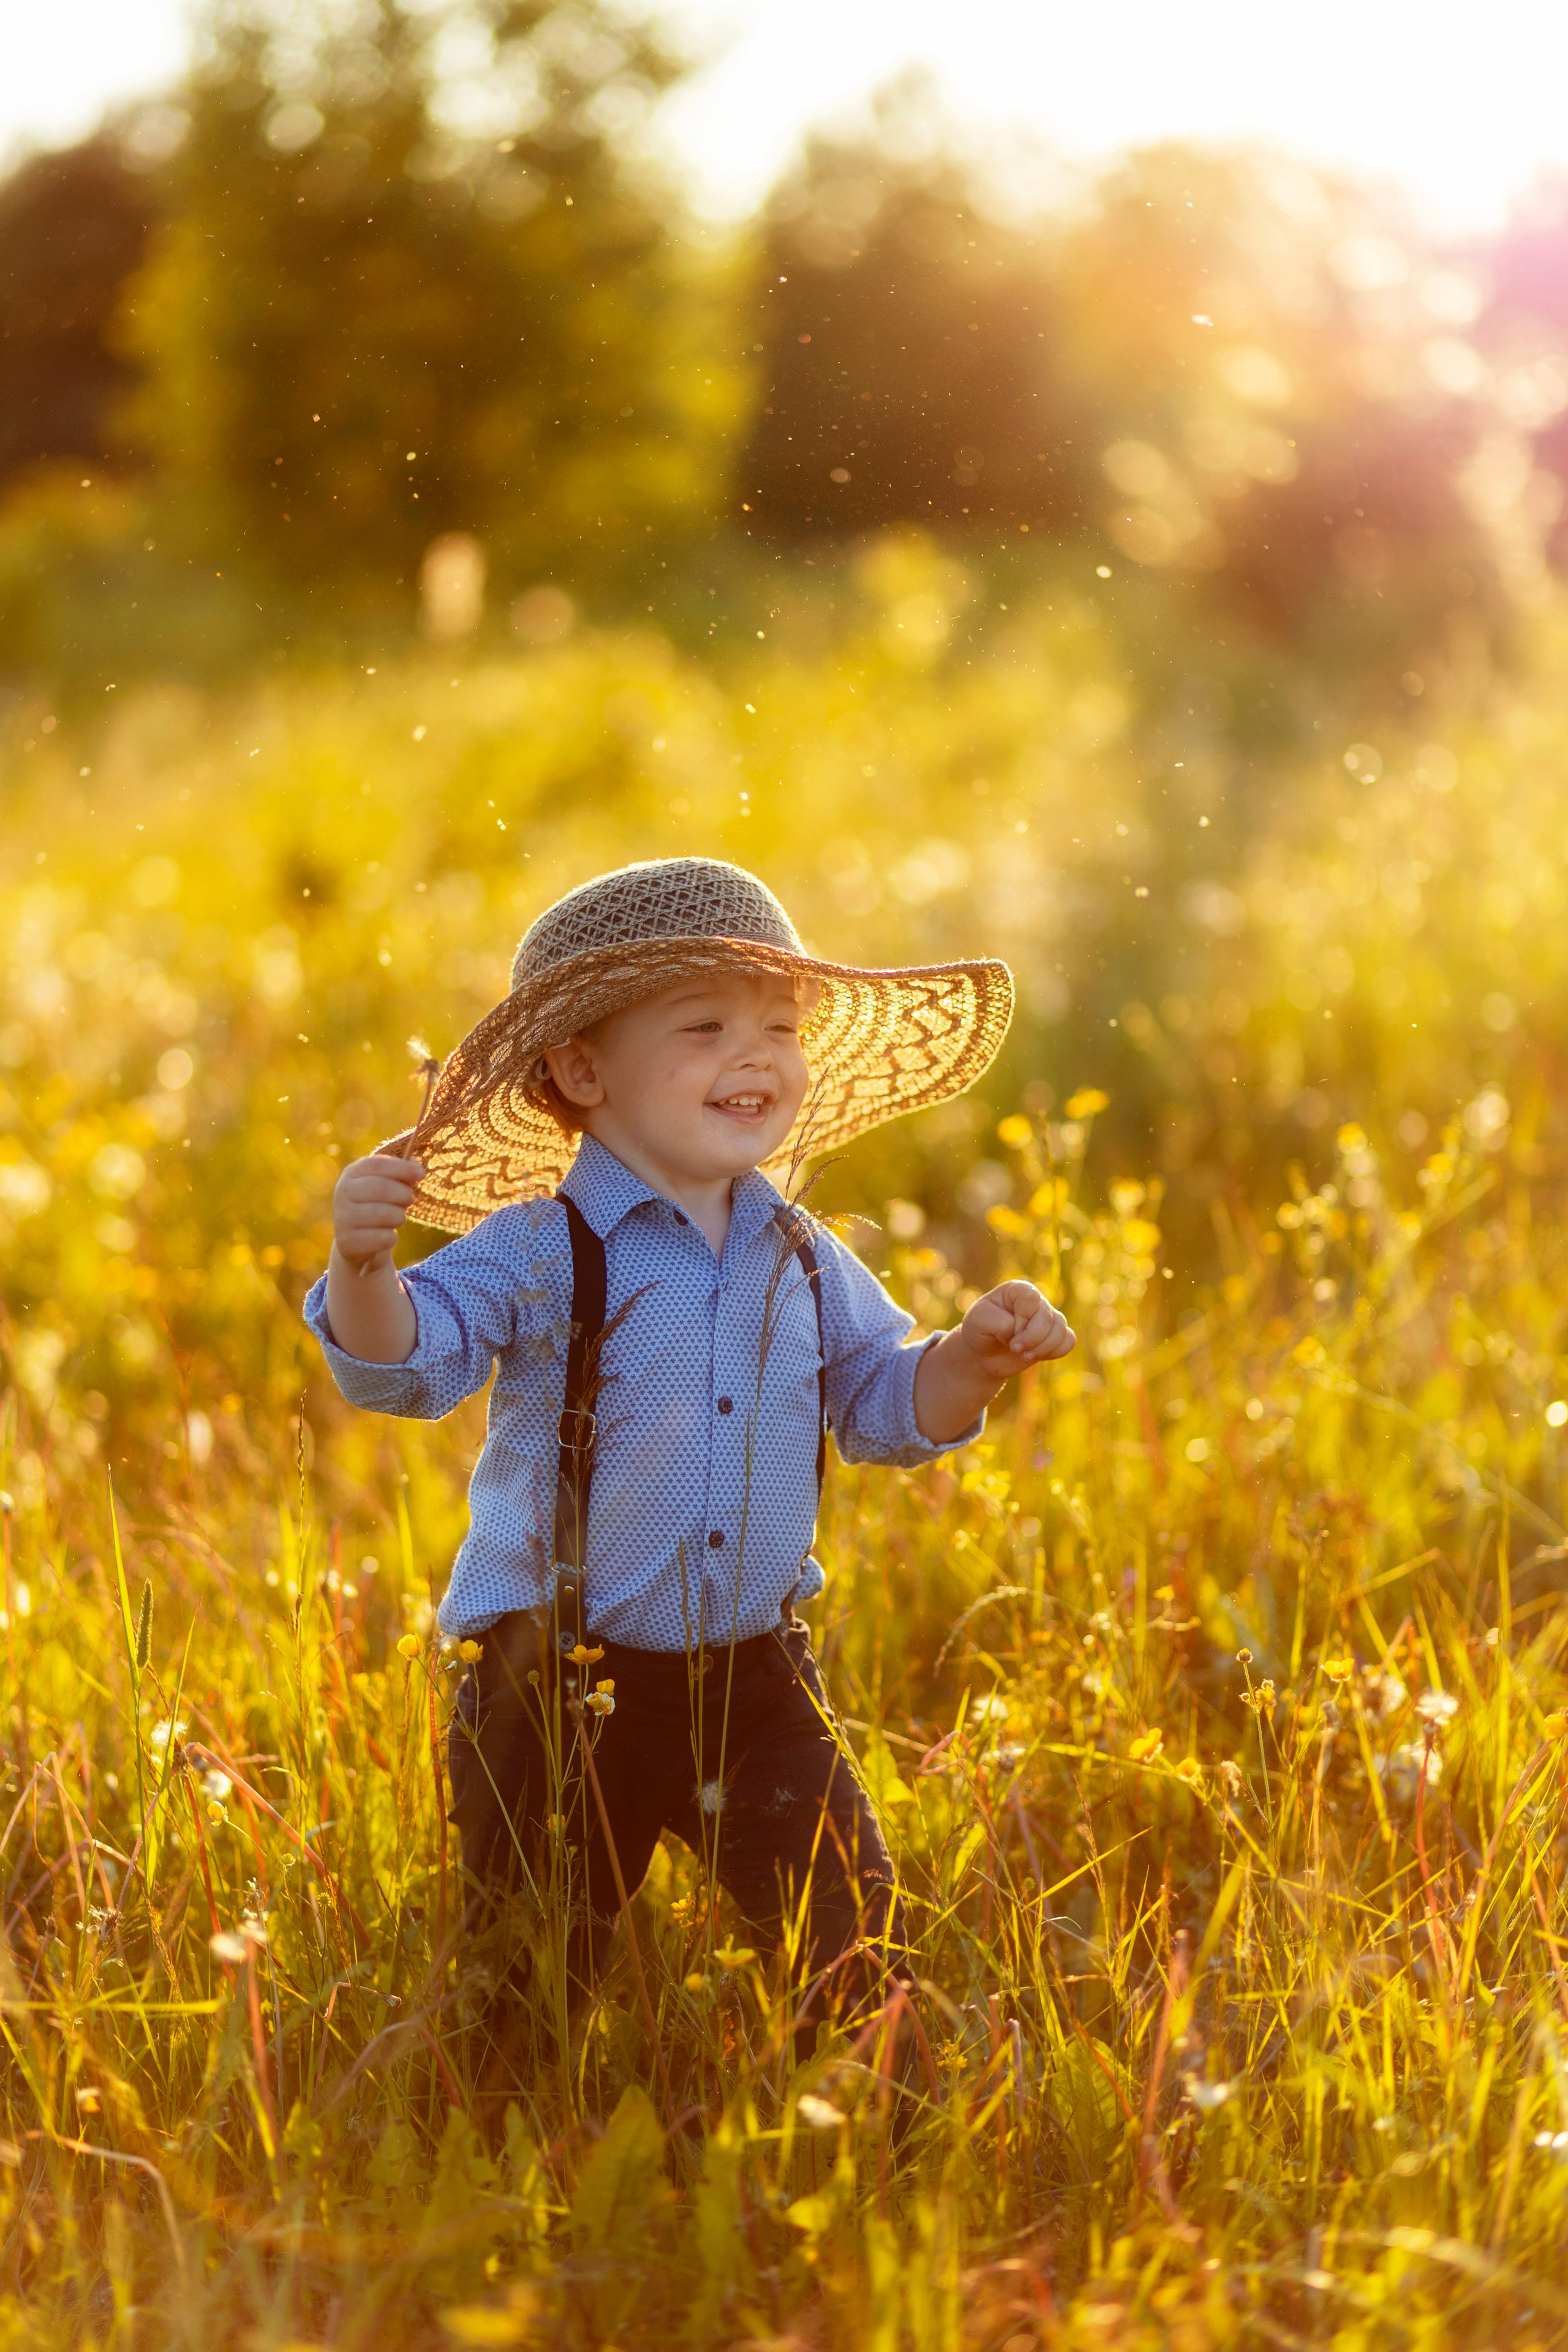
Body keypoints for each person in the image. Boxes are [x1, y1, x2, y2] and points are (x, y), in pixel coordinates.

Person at [303, 856, 1074, 2071]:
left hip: (755, 1675)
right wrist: (362, 1269)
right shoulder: (542, 1247)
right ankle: (512, 2139)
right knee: (525, 1977)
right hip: (557, 1680)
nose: (754, 1054)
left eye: (780, 1027)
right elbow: (408, 1364)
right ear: (582, 1071)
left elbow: (881, 1406)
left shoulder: (802, 1253)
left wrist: (970, 1359)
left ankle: (873, 2121)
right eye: (705, 1027)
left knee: (847, 1939)